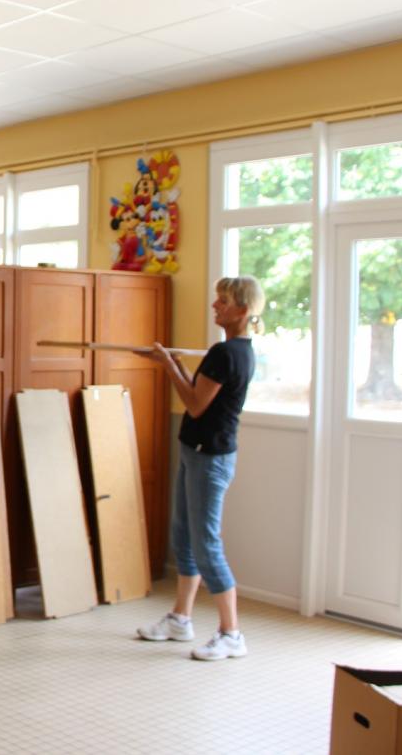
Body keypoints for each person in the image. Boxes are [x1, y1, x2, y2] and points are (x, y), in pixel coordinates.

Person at [136, 275, 265, 661]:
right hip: (197, 450)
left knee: (206, 544)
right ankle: (181, 619)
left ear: (242, 310)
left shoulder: (227, 354)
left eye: (222, 301)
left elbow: (193, 404)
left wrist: (165, 366)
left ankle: (231, 633)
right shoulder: (231, 351)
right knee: (185, 538)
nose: (215, 306)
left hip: (211, 457)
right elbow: (200, 394)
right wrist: (174, 363)